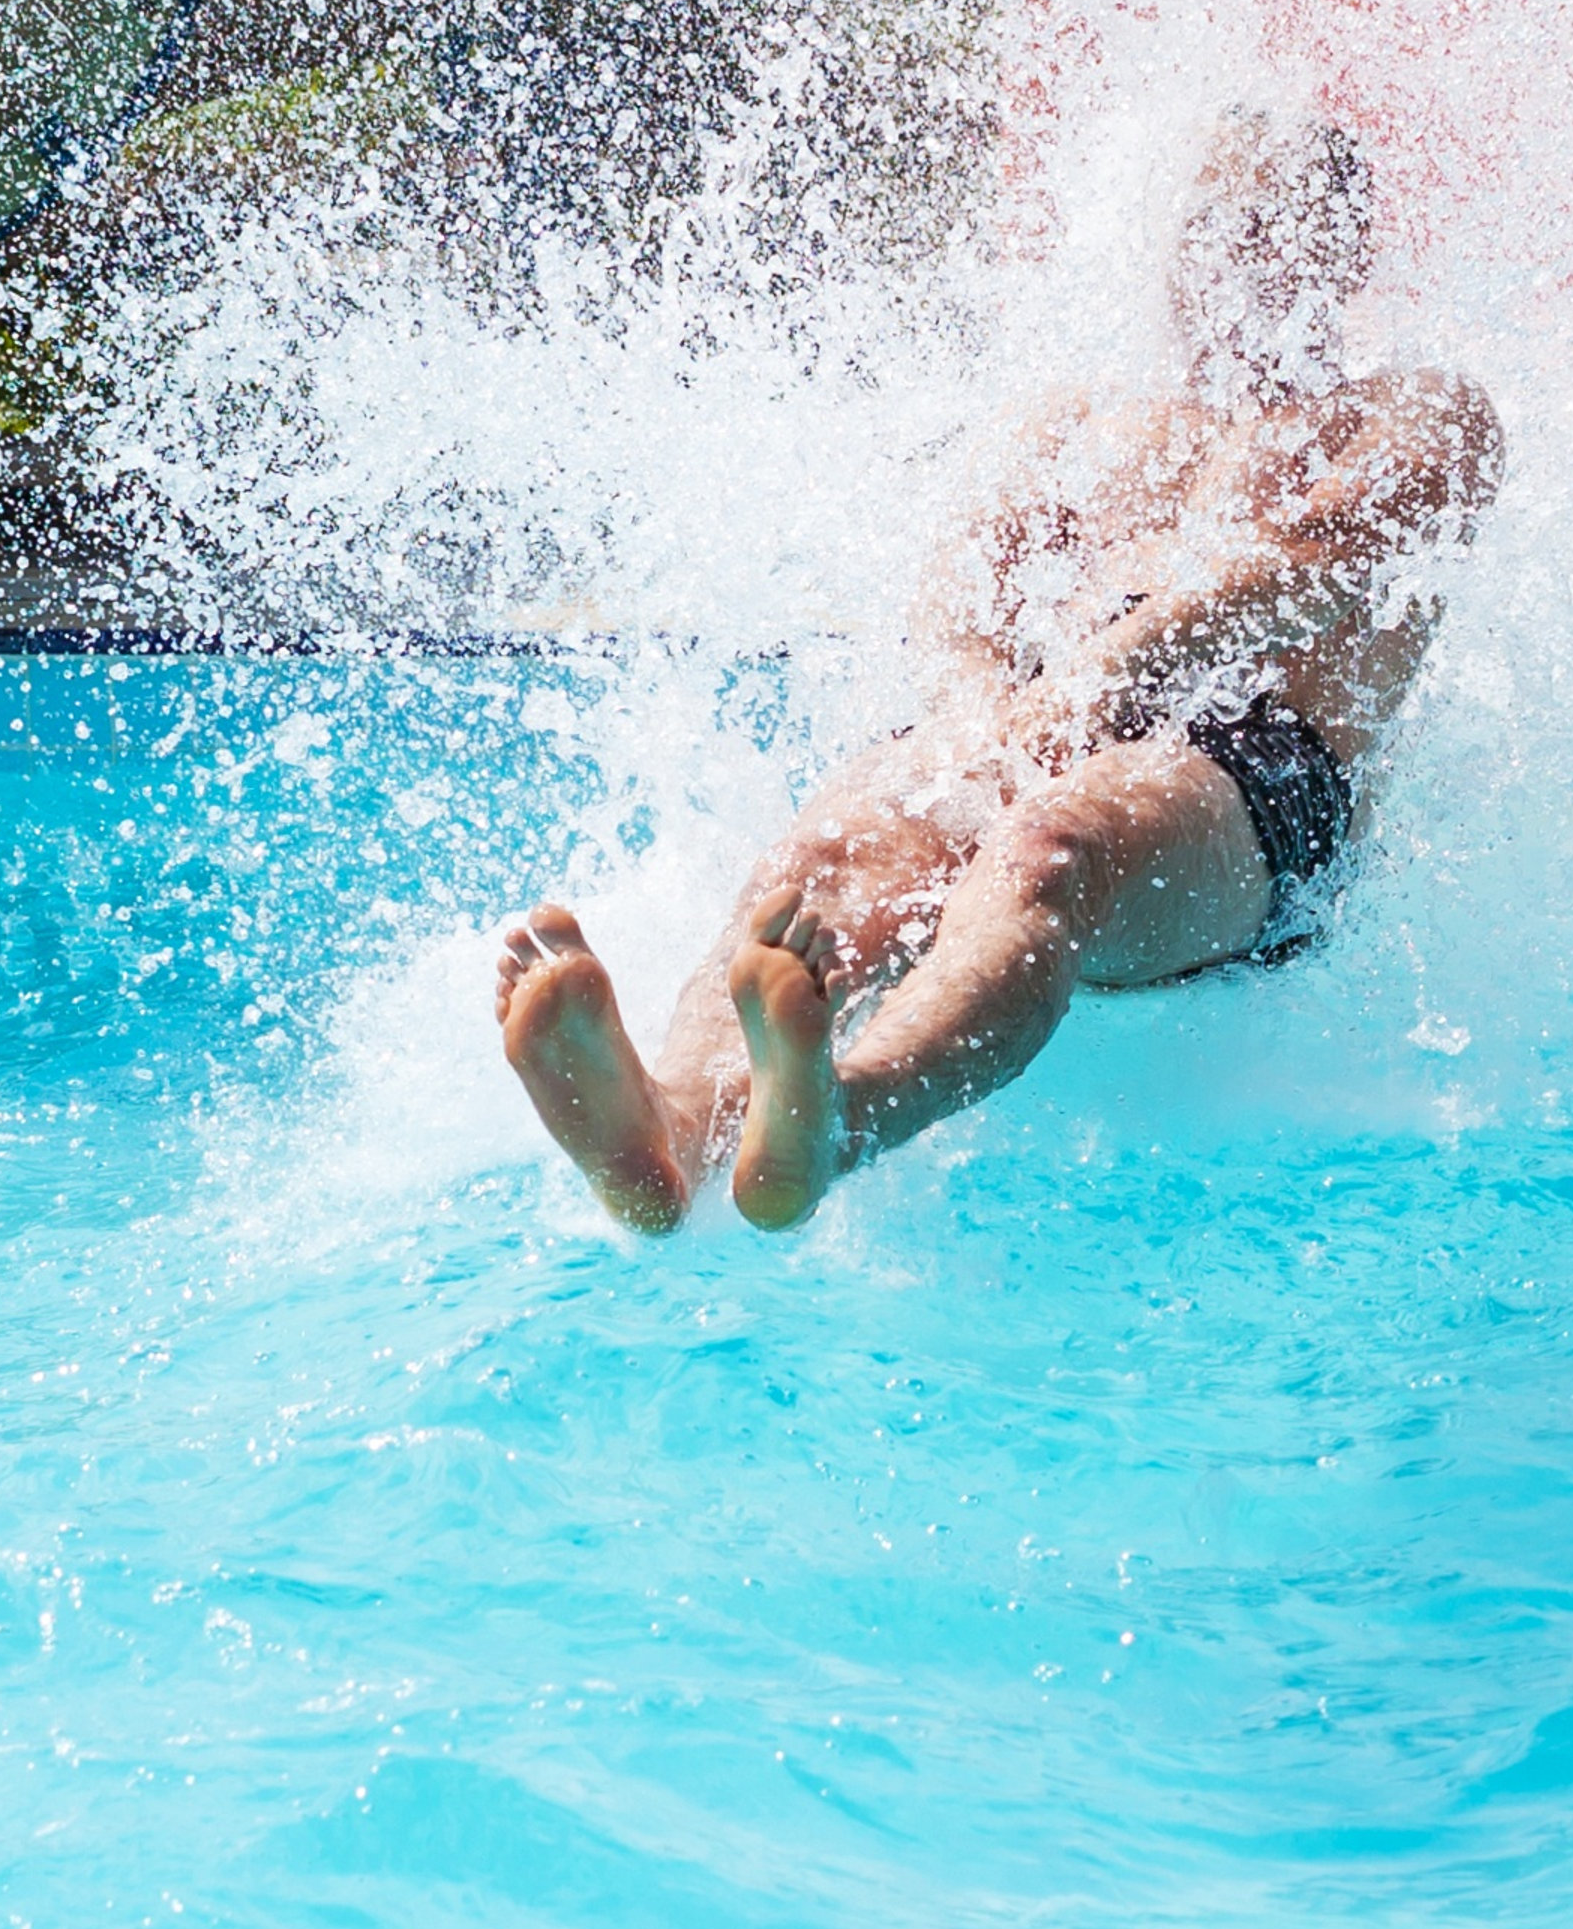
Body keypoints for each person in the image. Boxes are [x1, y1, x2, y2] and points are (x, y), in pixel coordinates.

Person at [494, 109, 1499, 1233]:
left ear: (1345, 254)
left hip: (1256, 775)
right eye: (1215, 228)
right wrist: (982, 715)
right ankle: (667, 1125)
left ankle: (841, 1117)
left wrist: (1106, 676)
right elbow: (959, 604)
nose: (1238, 259)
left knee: (1046, 846)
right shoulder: (1089, 427)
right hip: (1038, 722)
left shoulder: (1417, 413)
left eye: (1276, 229)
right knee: (838, 852)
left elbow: (1318, 565)